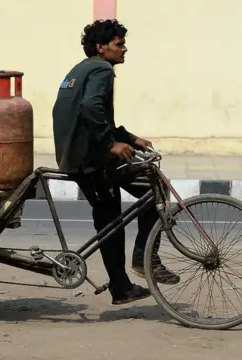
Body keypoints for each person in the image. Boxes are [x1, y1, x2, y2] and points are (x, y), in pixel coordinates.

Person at [52, 19, 180, 305]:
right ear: (101, 47)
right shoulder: (101, 69)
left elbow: (98, 117)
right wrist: (111, 145)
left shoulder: (80, 68)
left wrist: (129, 138)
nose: (124, 49)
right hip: (89, 160)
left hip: (80, 154)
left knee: (138, 195)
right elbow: (89, 108)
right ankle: (138, 266)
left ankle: (127, 281)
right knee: (139, 197)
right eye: (119, 44)